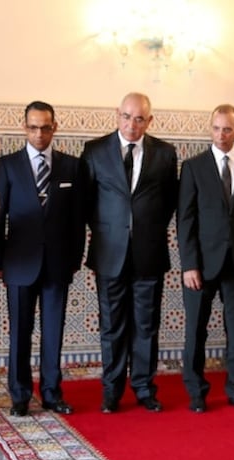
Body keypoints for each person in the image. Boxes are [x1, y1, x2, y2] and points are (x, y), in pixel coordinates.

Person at [79, 92, 179, 413]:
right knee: (112, 325)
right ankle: (111, 391)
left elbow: (168, 203)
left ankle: (144, 387)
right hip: (109, 253)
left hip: (149, 253)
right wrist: (113, 231)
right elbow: (87, 202)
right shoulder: (94, 151)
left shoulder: (165, 154)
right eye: (126, 116)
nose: (131, 124)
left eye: (139, 119)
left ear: (149, 121)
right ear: (116, 115)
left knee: (147, 324)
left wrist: (144, 231)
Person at [0, 101, 86, 417]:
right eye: (33, 127)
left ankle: (51, 393)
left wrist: (75, 258)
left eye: (45, 127)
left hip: (58, 264)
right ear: (24, 127)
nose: (39, 133)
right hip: (18, 263)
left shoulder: (72, 166)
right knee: (20, 331)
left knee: (53, 331)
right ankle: (19, 395)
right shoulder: (8, 165)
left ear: (54, 127)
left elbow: (77, 219)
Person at [176, 104, 234, 413]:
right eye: (216, 128)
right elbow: (185, 220)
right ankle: (196, 391)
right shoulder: (193, 167)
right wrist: (189, 265)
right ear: (210, 128)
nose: (221, 135)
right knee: (196, 331)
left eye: (227, 129)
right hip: (200, 265)